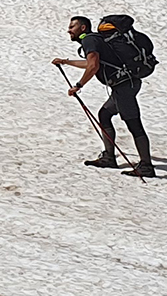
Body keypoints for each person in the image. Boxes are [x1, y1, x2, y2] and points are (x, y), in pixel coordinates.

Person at [52, 15, 156, 178]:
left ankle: (146, 166)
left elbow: (93, 66)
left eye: (72, 27)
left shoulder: (89, 40)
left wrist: (78, 86)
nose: (69, 30)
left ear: (83, 28)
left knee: (134, 124)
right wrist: (65, 62)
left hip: (123, 87)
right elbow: (92, 63)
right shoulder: (95, 40)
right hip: (126, 84)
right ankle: (109, 157)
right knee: (104, 114)